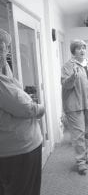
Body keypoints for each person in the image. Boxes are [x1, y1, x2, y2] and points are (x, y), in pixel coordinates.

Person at [0, 28, 45, 195]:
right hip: (19, 149)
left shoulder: (4, 73)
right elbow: (27, 108)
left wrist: (4, 64)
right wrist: (40, 108)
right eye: (6, 48)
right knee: (25, 189)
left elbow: (14, 88)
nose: (8, 52)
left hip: (14, 148)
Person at [61, 39, 88, 175]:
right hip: (74, 105)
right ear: (73, 51)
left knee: (87, 132)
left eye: (84, 48)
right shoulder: (68, 65)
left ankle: (85, 156)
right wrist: (73, 77)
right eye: (78, 48)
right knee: (78, 135)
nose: (82, 50)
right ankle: (80, 162)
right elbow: (65, 85)